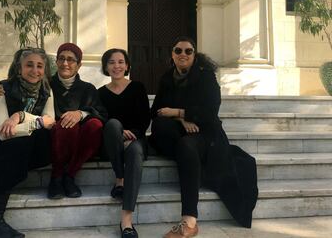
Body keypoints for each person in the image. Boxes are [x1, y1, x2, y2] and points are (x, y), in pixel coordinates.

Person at [150, 37, 258, 238]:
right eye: (178, 50)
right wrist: (182, 119)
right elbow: (157, 110)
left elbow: (210, 112)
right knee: (160, 125)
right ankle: (190, 161)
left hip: (206, 133)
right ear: (172, 54)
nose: (183, 54)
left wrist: (180, 112)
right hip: (180, 129)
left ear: (194, 55)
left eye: (188, 51)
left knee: (186, 146)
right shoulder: (167, 78)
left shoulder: (206, 77)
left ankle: (189, 221)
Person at [0, 48, 55, 238]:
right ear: (19, 68)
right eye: (29, 65)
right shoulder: (1, 89)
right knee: (19, 145)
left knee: (41, 142)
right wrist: (37, 122)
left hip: (18, 145)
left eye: (39, 66)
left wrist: (20, 116)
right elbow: (2, 133)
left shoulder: (46, 90)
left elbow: (50, 121)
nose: (35, 70)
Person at [98, 49, 150, 238]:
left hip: (136, 140)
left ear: (127, 66)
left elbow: (145, 119)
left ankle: (126, 220)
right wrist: (120, 135)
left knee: (135, 152)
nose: (116, 66)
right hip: (111, 144)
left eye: (121, 62)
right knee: (112, 124)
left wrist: (131, 136)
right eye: (111, 62)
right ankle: (120, 177)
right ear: (105, 66)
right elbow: (102, 121)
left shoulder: (138, 88)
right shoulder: (100, 93)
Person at [47, 43, 107, 199]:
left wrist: (80, 113)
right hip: (54, 138)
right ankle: (56, 177)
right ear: (56, 62)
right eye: (61, 58)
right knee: (67, 124)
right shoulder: (46, 85)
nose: (65, 63)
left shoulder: (88, 89)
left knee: (95, 125)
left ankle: (69, 175)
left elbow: (101, 114)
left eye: (71, 60)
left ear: (79, 65)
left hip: (81, 142)